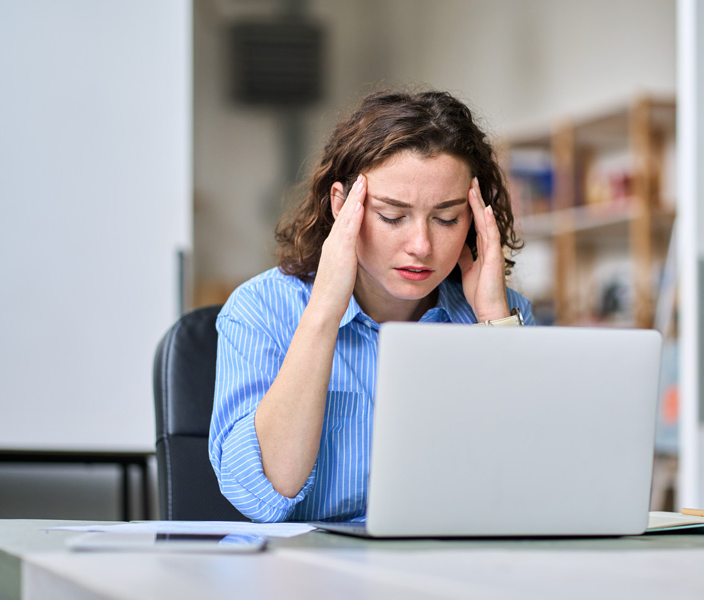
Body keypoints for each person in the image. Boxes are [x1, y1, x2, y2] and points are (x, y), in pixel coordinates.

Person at [208, 89, 535, 523]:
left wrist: (493, 317)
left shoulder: (501, 315)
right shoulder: (259, 309)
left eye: (447, 218)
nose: (421, 246)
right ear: (343, 205)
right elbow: (265, 493)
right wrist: (325, 307)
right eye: (392, 216)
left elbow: (528, 484)